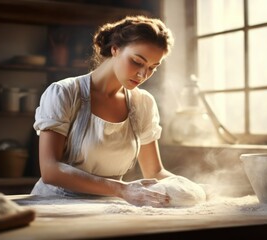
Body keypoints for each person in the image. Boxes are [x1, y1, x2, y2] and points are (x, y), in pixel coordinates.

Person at [30, 15, 176, 208]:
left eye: (152, 68)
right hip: (54, 206)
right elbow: (50, 171)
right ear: (115, 49)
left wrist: (192, 188)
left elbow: (155, 173)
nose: (143, 75)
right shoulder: (65, 93)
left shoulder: (143, 103)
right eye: (137, 61)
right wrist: (122, 189)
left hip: (108, 208)